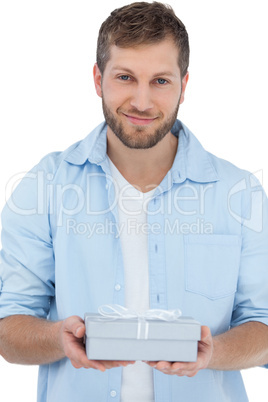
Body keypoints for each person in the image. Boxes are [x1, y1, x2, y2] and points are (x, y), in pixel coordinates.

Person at [0, 1, 268, 401]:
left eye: (160, 81)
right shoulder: (46, 185)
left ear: (184, 84)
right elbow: (7, 328)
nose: (142, 102)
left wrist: (215, 353)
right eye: (125, 77)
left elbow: (263, 326)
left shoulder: (239, 193)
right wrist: (58, 338)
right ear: (97, 78)